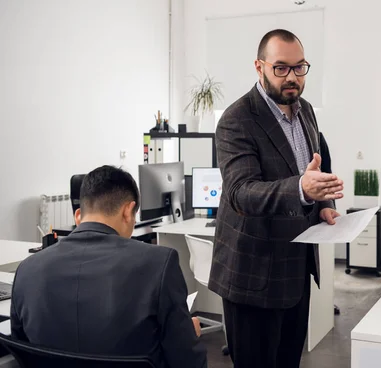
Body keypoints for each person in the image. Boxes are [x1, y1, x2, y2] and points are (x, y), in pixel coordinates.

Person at [208, 29, 343, 368]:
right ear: (259, 67)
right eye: (281, 68)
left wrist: (324, 205)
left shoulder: (306, 111)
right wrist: (300, 189)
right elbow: (241, 192)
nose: (292, 77)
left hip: (296, 271)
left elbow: (315, 169)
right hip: (253, 276)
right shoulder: (236, 120)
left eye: (300, 68)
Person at [10, 165, 208, 368]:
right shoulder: (159, 264)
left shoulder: (27, 270)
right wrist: (188, 335)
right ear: (128, 212)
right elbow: (187, 361)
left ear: (78, 216)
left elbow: (21, 353)